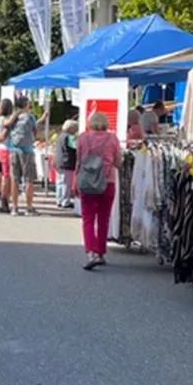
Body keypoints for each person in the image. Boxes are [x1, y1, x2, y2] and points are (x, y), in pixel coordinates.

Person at [76, 112, 123, 270]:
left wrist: (74, 182)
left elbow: (78, 161)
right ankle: (100, 252)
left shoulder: (82, 138)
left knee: (87, 219)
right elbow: (118, 162)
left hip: (86, 182)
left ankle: (91, 252)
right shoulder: (113, 139)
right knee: (104, 219)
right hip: (107, 182)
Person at [6, 97, 48, 216]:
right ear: (26, 105)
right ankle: (28, 207)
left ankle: (14, 207)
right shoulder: (30, 117)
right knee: (28, 179)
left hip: (13, 149)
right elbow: (34, 130)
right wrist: (43, 119)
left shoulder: (12, 117)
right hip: (27, 150)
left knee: (15, 179)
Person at [0, 98, 14, 213]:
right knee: (7, 176)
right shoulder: (6, 120)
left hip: (1, 149)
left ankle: (4, 198)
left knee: (4, 175)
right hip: (7, 148)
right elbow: (4, 135)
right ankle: (4, 199)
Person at [54, 120, 78, 209]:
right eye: (76, 129)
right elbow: (76, 147)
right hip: (66, 162)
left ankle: (59, 200)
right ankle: (65, 201)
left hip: (59, 162)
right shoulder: (70, 137)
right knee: (66, 183)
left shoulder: (60, 136)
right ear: (71, 129)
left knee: (59, 182)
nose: (76, 131)